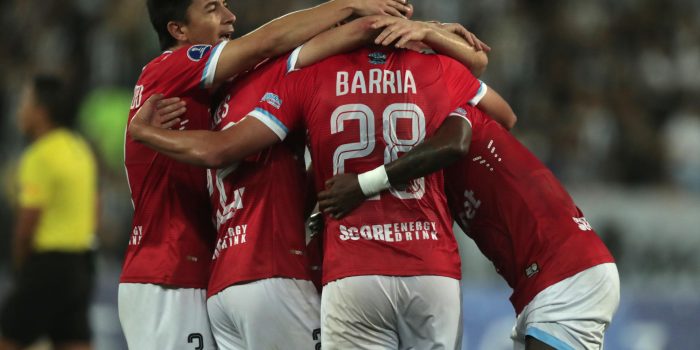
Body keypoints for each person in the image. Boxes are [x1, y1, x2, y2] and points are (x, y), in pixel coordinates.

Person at [127, 18, 510, 347]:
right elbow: (502, 113)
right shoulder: (438, 69)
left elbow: (223, 148)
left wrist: (145, 133)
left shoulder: (301, 78)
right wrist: (432, 36)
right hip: (427, 263)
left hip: (329, 270)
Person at [120, 0, 412, 348]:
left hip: (212, 275)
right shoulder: (169, 68)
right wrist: (352, 6)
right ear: (178, 31)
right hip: (172, 274)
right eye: (212, 8)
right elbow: (270, 41)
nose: (230, 17)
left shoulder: (215, 95)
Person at [318, 102, 620, 350]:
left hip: (569, 273)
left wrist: (363, 184)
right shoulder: (430, 177)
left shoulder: (451, 115)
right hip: (543, 283)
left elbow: (457, 142)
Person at [0, 75, 97, 350]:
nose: (20, 111)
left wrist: (22, 270)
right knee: (74, 342)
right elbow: (95, 209)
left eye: (25, 103)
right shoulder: (81, 150)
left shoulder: (39, 155)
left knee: (8, 339)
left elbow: (27, 223)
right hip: (80, 267)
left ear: (41, 112)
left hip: (47, 265)